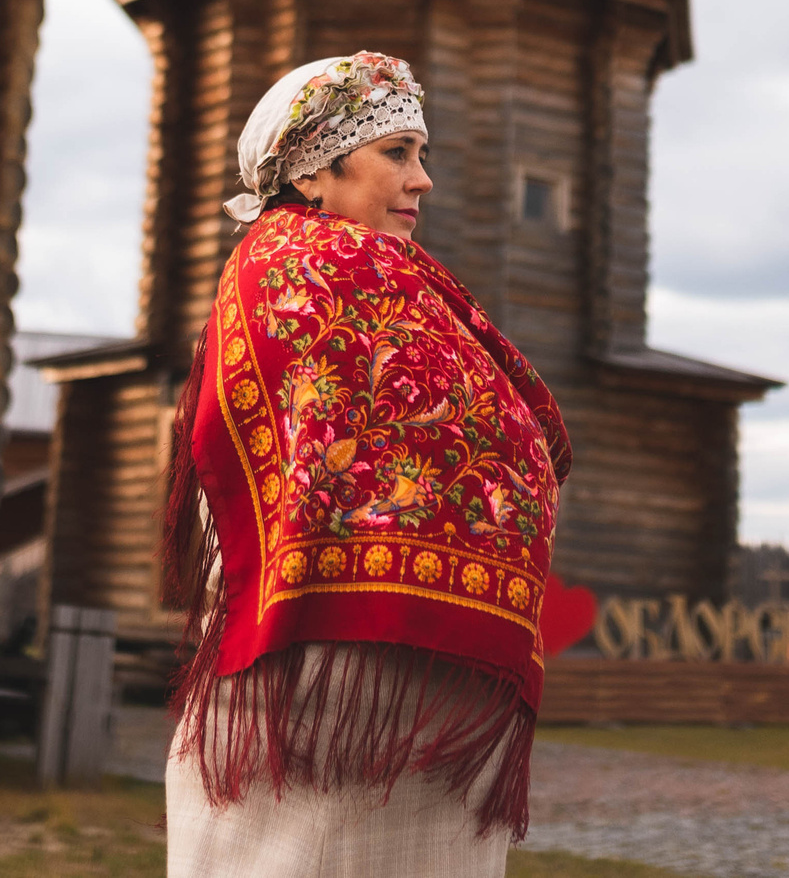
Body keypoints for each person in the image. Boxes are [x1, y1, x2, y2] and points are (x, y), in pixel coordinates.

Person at [159, 53, 571, 877]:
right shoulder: (320, 273)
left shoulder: (334, 277)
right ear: (314, 167)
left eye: (424, 155)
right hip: (338, 680)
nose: (423, 181)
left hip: (378, 681)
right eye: (398, 152)